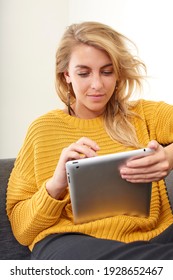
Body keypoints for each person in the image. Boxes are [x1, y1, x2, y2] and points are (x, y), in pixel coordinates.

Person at [6, 21, 173, 260]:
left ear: (118, 73)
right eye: (84, 73)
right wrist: (56, 185)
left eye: (107, 72)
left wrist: (168, 157)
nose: (97, 85)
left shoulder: (143, 115)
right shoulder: (42, 129)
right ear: (66, 76)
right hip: (70, 243)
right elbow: (22, 230)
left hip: (150, 237)